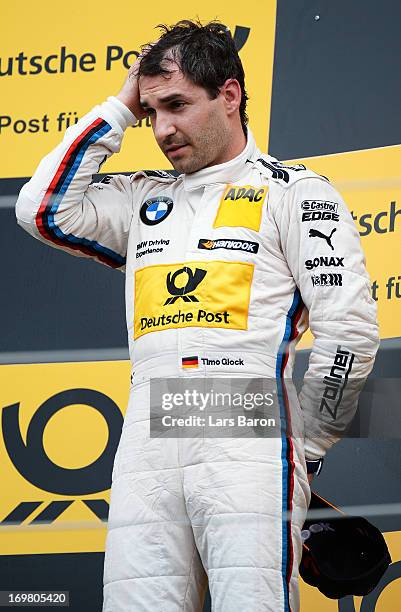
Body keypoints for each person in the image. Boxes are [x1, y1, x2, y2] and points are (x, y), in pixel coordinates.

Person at [15, 19, 379, 612]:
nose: (163, 129)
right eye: (152, 110)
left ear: (229, 96)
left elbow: (350, 337)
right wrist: (119, 108)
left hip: (249, 428)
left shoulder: (296, 192)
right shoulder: (144, 201)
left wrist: (304, 451)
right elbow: (43, 211)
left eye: (178, 105)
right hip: (148, 433)